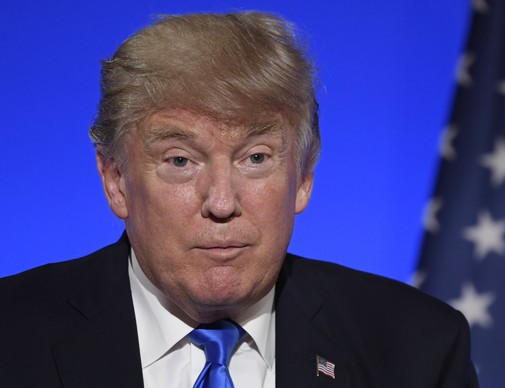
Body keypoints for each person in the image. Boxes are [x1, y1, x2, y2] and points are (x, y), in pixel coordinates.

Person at [0, 11, 478, 387]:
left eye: (255, 158)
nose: (222, 203)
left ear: (304, 176)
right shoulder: (12, 338)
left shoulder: (417, 346)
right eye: (180, 161)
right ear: (116, 180)